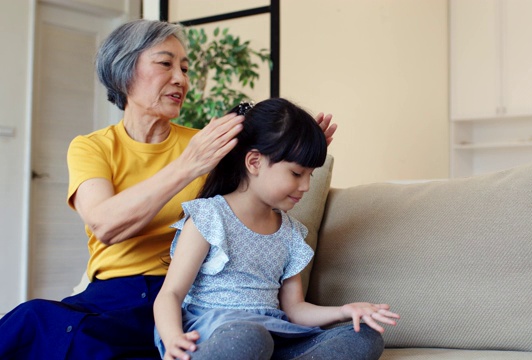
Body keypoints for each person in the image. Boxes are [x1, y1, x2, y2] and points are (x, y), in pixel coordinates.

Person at [0, 20, 336, 359]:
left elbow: (260, 180)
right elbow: (105, 224)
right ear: (124, 71)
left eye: (185, 68)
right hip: (114, 295)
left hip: (188, 294)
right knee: (36, 321)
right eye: (165, 64)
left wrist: (295, 150)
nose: (181, 79)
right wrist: (188, 164)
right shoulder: (94, 147)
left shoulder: (210, 145)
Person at [153, 98, 400, 360]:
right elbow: (170, 294)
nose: (305, 186)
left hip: (274, 336)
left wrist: (345, 311)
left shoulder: (291, 233)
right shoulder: (210, 217)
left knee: (365, 338)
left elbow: (295, 310)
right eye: (296, 174)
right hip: (219, 334)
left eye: (310, 175)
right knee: (249, 338)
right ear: (254, 162)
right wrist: (172, 339)